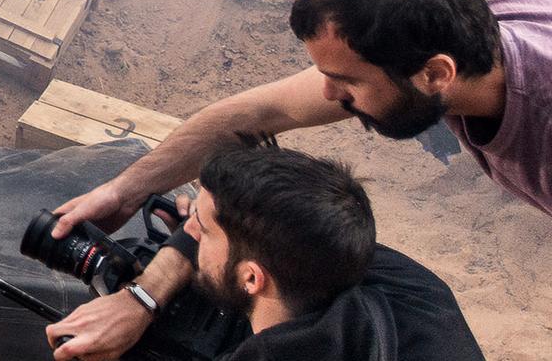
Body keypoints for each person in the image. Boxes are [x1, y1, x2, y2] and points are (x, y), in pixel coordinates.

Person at [42, 0, 549, 359]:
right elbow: (257, 115)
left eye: (346, 81)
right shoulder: (473, 37)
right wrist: (126, 191)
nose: (328, 97)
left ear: (437, 75)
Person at [50, 145, 482, 361]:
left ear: (253, 278)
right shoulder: (415, 290)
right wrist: (144, 297)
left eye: (200, 228)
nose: (187, 233)